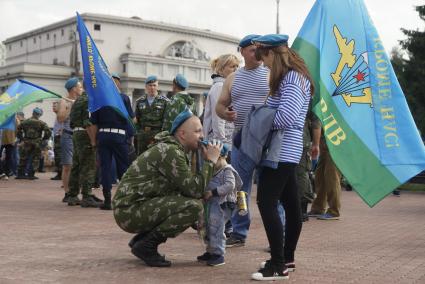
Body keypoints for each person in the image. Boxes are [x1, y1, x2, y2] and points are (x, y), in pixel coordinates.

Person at [113, 109, 222, 267]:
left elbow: (186, 189)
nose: (202, 136)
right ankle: (146, 246)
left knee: (189, 203)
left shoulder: (174, 149)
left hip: (133, 207)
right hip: (128, 211)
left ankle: (142, 239)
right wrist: (210, 162)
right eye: (198, 131)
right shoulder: (171, 151)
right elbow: (194, 190)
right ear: (182, 134)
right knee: (194, 207)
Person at [250, 34, 314, 281]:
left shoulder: (292, 79)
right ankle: (286, 258)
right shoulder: (293, 78)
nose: (264, 65)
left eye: (264, 59)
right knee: (290, 205)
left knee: (266, 203)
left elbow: (286, 118)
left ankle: (278, 265)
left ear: (272, 54)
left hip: (282, 151)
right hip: (285, 151)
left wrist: (258, 121)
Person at [215, 34, 269, 247]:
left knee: (270, 191)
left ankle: (278, 236)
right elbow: (220, 105)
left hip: (266, 142)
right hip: (241, 141)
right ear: (242, 51)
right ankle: (239, 231)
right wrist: (224, 114)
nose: (257, 52)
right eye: (252, 49)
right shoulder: (233, 78)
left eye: (260, 48)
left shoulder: (271, 74)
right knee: (240, 190)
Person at [197, 143, 242, 266]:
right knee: (209, 227)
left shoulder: (226, 170)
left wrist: (213, 192)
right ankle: (211, 251)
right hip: (212, 204)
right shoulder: (212, 169)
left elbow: (230, 185)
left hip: (222, 205)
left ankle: (218, 254)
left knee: (217, 228)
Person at [90, 95, 132, 210]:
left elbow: (94, 123)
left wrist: (93, 141)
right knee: (123, 168)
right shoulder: (124, 98)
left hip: (103, 135)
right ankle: (124, 200)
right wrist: (130, 138)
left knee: (105, 168)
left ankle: (108, 200)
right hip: (120, 136)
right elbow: (130, 119)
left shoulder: (99, 98)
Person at [66, 91, 102, 207]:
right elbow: (88, 122)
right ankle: (87, 196)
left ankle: (72, 195)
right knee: (88, 166)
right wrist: (93, 140)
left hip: (76, 133)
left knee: (76, 165)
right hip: (85, 134)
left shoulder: (78, 100)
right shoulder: (89, 100)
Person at [203, 54, 239, 159]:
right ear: (222, 69)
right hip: (220, 144)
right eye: (232, 66)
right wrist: (223, 143)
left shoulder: (224, 86)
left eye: (237, 66)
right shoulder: (219, 87)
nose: (236, 69)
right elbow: (217, 118)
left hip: (225, 142)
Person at [57, 77, 83, 202]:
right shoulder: (64, 101)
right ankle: (67, 192)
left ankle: (75, 191)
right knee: (68, 165)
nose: (81, 89)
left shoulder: (81, 100)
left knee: (78, 165)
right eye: (80, 87)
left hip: (80, 135)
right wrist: (70, 107)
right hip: (68, 135)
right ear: (73, 89)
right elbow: (60, 118)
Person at [308, 138, 342, 220]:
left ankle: (334, 211)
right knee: (319, 178)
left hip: (336, 147)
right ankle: (318, 208)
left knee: (332, 179)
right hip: (324, 148)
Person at [297, 107, 321, 222]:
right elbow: (316, 121)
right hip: (301, 140)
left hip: (300, 141)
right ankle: (300, 210)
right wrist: (316, 144)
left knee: (301, 175)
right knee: (301, 174)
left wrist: (316, 144)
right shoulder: (307, 94)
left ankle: (301, 210)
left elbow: (316, 121)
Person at [134, 75, 168, 155]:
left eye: (154, 85)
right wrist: (139, 133)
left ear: (157, 87)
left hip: (157, 135)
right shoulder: (140, 101)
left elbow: (166, 121)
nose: (152, 88)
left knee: (156, 158)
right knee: (141, 159)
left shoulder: (165, 102)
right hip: (143, 135)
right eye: (150, 85)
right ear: (146, 87)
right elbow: (137, 120)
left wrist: (162, 135)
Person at [16, 108, 51, 180]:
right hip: (37, 142)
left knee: (23, 158)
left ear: (33, 113)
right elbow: (48, 132)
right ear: (40, 114)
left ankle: (20, 174)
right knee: (35, 158)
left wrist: (21, 138)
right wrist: (44, 139)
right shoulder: (41, 123)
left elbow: (18, 130)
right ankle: (31, 174)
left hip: (26, 141)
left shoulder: (25, 122)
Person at [111, 73, 137, 161]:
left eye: (115, 81)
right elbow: (132, 119)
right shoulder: (105, 98)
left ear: (119, 83)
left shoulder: (124, 98)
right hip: (117, 136)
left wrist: (131, 137)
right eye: (112, 81)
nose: (113, 83)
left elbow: (132, 119)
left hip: (120, 136)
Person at [51, 101, 63, 180]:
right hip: (57, 137)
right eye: (53, 106)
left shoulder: (62, 115)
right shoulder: (57, 115)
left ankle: (60, 173)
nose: (53, 107)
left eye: (55, 106)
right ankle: (59, 172)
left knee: (59, 156)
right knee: (57, 155)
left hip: (60, 137)